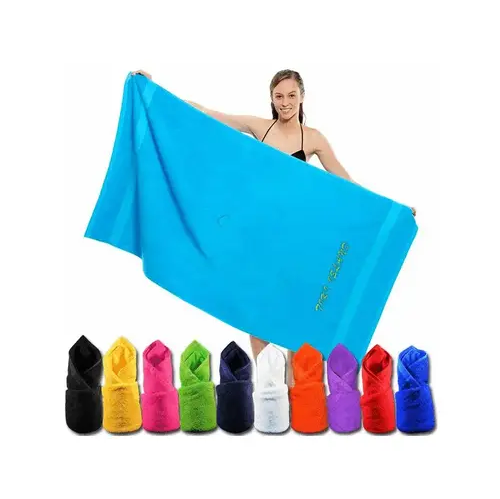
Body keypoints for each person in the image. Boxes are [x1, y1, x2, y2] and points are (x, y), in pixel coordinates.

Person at [131, 68, 416, 386]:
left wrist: (394, 212)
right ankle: (269, 388)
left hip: (297, 240)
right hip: (259, 238)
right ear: (271, 98)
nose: (285, 102)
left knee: (296, 318)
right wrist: (153, 91)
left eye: (292, 95)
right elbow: (208, 115)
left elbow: (347, 184)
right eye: (279, 96)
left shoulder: (313, 138)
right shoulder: (260, 128)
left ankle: (297, 391)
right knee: (256, 315)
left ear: (302, 97)